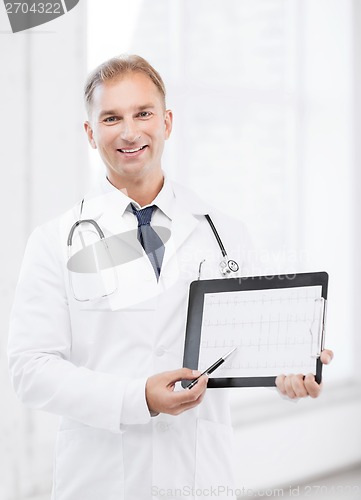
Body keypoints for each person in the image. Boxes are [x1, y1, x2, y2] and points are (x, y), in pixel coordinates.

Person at [8, 55, 333, 500]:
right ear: (90, 132)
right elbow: (30, 370)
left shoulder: (224, 232)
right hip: (101, 481)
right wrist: (136, 397)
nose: (129, 131)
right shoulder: (53, 241)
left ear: (167, 122)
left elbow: (248, 347)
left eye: (143, 113)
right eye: (111, 118)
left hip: (198, 477)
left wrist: (285, 373)